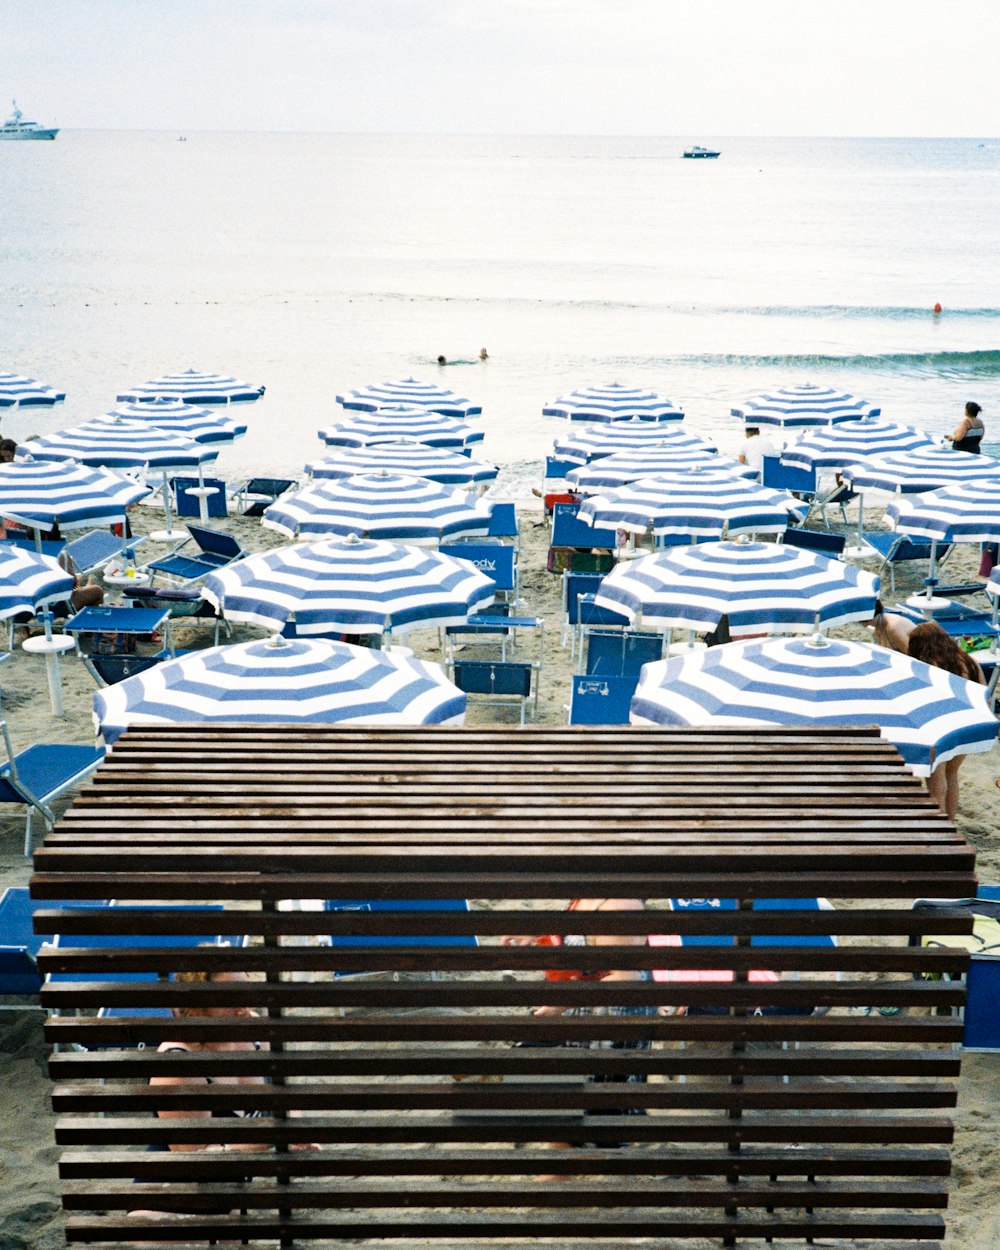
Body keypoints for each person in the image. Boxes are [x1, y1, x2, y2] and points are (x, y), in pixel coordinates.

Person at [501, 897, 653, 1175]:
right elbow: (580, 944)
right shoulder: (586, 896)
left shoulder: (620, 905)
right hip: (581, 1016)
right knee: (570, 1121)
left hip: (609, 1024)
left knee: (593, 1124)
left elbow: (627, 979)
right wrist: (538, 934)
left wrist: (563, 1003)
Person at [905, 622, 984, 820]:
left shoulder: (929, 667)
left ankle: (938, 827)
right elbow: (984, 696)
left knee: (935, 778)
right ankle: (949, 822)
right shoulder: (970, 661)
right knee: (952, 774)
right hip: (967, 724)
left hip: (941, 724)